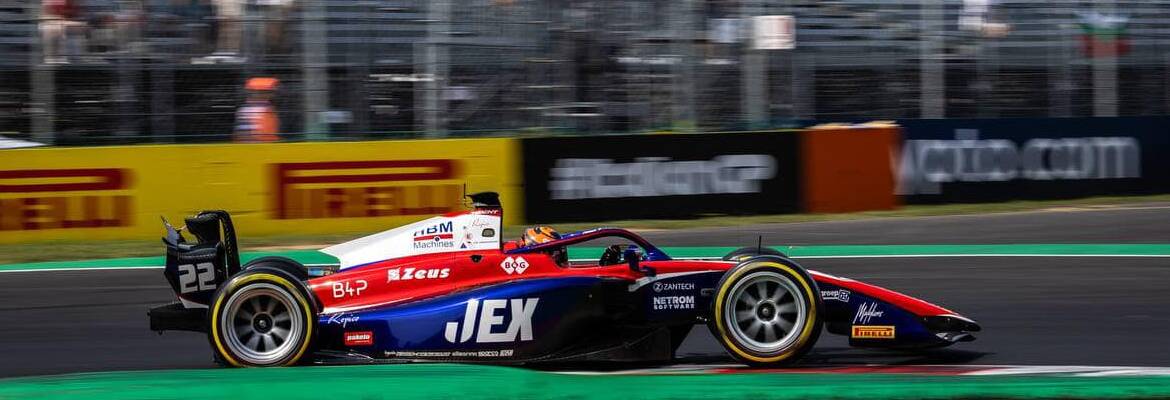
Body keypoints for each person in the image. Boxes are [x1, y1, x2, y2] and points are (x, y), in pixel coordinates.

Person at [233, 77, 281, 142]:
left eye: (270, 92)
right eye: (263, 92)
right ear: (253, 92)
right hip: (258, 148)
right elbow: (244, 135)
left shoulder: (268, 107)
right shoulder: (247, 110)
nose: (270, 94)